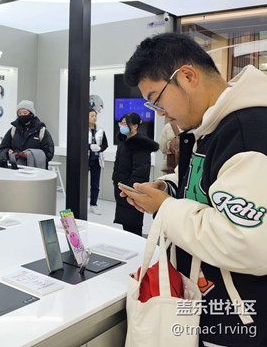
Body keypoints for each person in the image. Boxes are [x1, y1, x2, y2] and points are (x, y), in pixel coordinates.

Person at [122, 33, 267, 346]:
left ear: (187, 76)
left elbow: (248, 243)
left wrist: (165, 207)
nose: (158, 111)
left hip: (239, 320)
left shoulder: (247, 133)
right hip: (209, 304)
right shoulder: (208, 127)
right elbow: (204, 184)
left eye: (157, 99)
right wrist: (168, 187)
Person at [111, 112, 158, 236]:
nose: (122, 127)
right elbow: (118, 163)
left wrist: (130, 188)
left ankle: (136, 243)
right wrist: (115, 179)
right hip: (121, 187)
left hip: (131, 190)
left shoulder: (140, 144)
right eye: (121, 124)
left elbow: (141, 171)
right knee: (125, 221)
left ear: (135, 126)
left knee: (133, 222)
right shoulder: (123, 140)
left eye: (125, 124)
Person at [0, 100, 54, 166]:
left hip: (36, 170)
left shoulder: (42, 131)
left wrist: (29, 155)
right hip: (15, 167)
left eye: (25, 113)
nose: (22, 115)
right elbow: (2, 148)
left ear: (31, 114)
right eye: (19, 113)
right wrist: (7, 152)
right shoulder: (13, 130)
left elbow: (49, 153)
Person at [87, 109, 108, 215]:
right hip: (85, 159)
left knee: (95, 184)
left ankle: (93, 205)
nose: (94, 118)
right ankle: (79, 203)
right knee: (81, 182)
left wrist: (99, 148)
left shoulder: (100, 130)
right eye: (92, 116)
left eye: (95, 116)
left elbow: (105, 144)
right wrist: (89, 146)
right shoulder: (82, 129)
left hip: (96, 160)